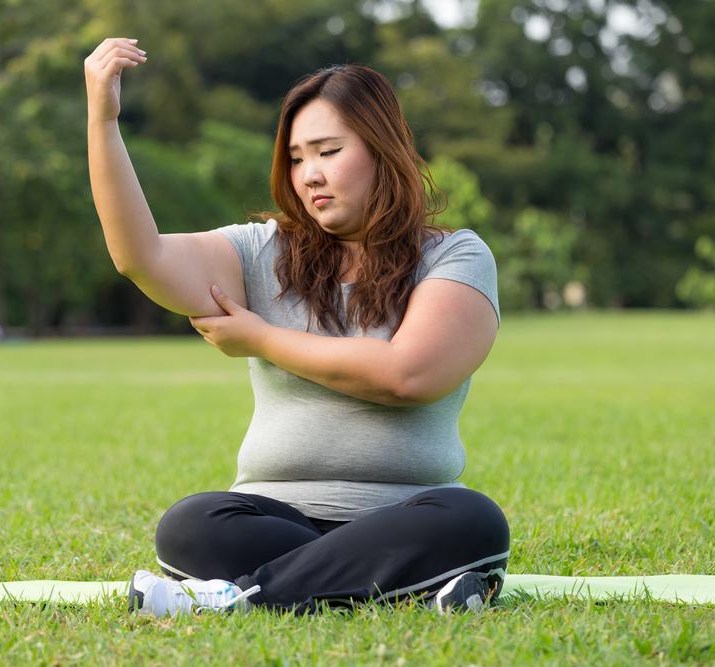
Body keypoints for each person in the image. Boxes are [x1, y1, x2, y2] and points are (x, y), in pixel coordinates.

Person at [84, 38, 509, 617]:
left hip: (409, 511)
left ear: (383, 150)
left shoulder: (454, 256)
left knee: (472, 521)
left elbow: (408, 376)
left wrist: (260, 338)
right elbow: (142, 257)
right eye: (295, 158)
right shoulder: (261, 251)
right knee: (192, 523)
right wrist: (103, 120)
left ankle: (241, 596)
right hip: (271, 514)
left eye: (329, 151)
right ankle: (399, 585)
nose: (309, 175)